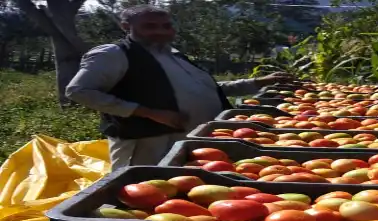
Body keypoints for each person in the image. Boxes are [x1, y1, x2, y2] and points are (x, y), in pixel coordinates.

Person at [66, 5, 292, 169]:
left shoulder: (173, 55)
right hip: (149, 141)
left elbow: (207, 89)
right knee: (141, 190)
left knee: (175, 195)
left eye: (166, 26)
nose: (160, 31)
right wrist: (150, 113)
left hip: (192, 139)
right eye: (150, 26)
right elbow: (79, 91)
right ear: (126, 26)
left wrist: (258, 82)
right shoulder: (114, 54)